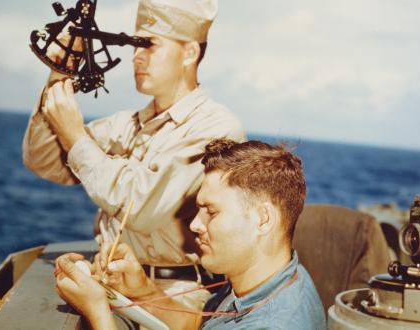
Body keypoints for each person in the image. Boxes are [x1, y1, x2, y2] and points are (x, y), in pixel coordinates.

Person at [23, 0, 245, 302]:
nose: (136, 58)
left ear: (190, 53)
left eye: (149, 46)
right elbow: (44, 161)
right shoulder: (127, 124)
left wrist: (74, 136)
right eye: (135, 47)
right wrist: (59, 74)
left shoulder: (216, 129)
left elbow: (141, 209)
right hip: (112, 281)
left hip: (177, 295)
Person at [55, 139, 326, 330]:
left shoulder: (273, 324)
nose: (195, 224)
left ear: (263, 219)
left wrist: (97, 310)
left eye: (211, 211)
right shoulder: (274, 279)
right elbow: (200, 324)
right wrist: (142, 290)